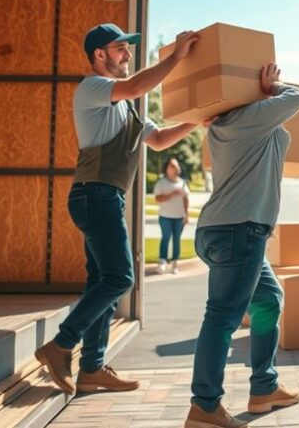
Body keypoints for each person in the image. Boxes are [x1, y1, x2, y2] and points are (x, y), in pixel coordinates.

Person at [34, 24, 201, 395]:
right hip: (94, 195)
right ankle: (61, 345)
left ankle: (92, 368)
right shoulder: (92, 87)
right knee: (120, 279)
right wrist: (176, 57)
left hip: (104, 197)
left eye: (128, 49)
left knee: (102, 281)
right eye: (120, 48)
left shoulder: (126, 108)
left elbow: (158, 140)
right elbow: (140, 86)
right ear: (99, 55)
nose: (127, 54)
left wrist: (199, 120)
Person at [184, 62, 299, 428]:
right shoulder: (249, 118)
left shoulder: (224, 125)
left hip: (221, 231)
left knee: (268, 299)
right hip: (241, 233)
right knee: (222, 317)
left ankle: (264, 388)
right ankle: (204, 406)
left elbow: (280, 137)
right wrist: (274, 87)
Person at [154, 157, 190, 274]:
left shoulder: (183, 183)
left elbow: (186, 199)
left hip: (179, 217)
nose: (175, 168)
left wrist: (186, 215)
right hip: (165, 216)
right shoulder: (161, 183)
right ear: (167, 169)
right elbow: (157, 198)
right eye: (172, 166)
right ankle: (163, 262)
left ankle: (175, 264)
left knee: (176, 240)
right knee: (165, 238)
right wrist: (172, 194)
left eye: (176, 166)